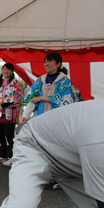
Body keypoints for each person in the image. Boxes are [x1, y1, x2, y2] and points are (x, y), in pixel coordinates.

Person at [19, 52, 75, 189]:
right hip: (40, 120)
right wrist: (25, 115)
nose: (47, 64)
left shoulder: (65, 81)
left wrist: (43, 98)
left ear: (58, 64)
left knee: (57, 149)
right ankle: (45, 176)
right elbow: (32, 98)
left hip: (57, 121)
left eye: (50, 61)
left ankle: (58, 178)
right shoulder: (40, 81)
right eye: (45, 61)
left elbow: (66, 100)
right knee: (41, 148)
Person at [0, 63, 23, 165]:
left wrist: (3, 105)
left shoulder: (16, 83)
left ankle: (13, 156)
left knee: (10, 136)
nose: (5, 71)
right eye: (3, 69)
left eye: (8, 69)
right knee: (0, 134)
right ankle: (2, 155)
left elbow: (15, 96)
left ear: (12, 71)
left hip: (9, 113)